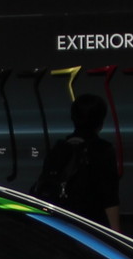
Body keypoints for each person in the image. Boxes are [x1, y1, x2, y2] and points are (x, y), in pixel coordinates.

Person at [34, 94, 123, 230]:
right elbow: (110, 197)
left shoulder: (59, 148)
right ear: (100, 121)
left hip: (60, 223)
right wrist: (117, 235)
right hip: (92, 224)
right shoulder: (103, 150)